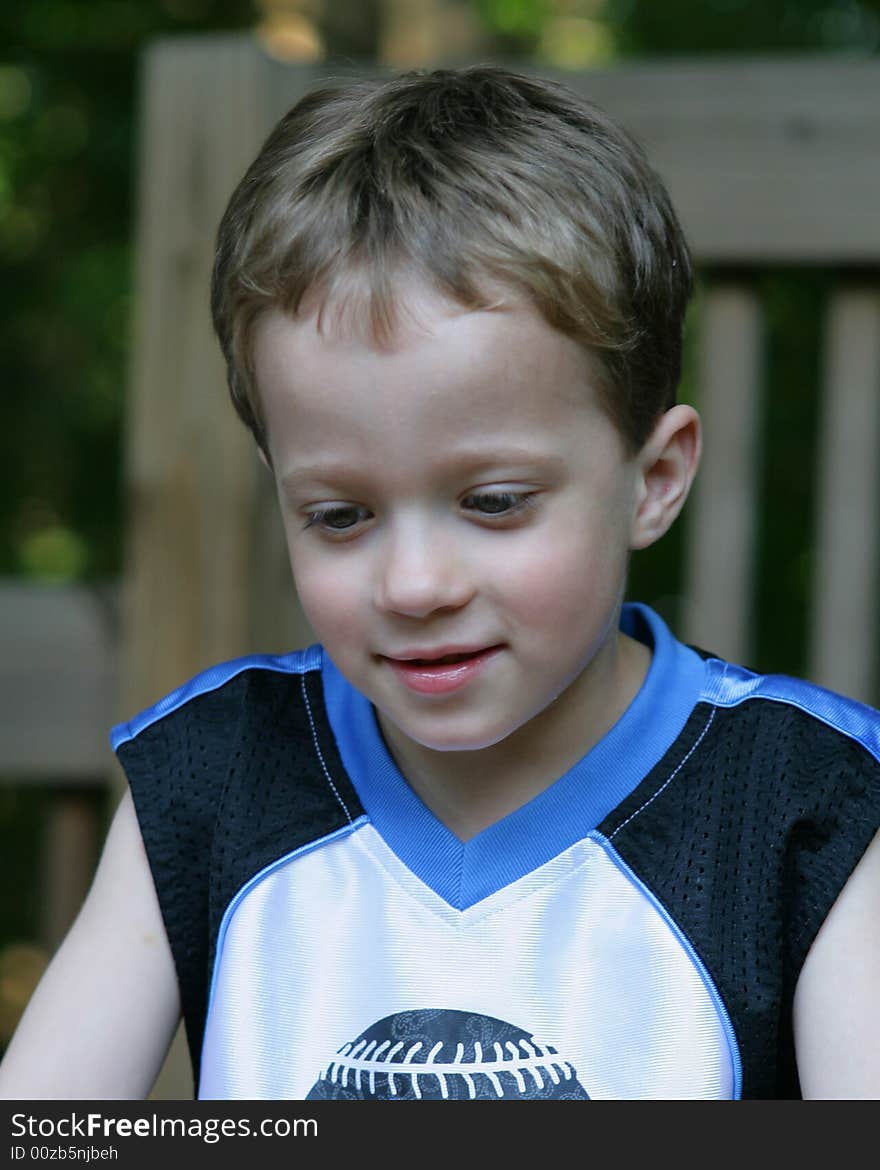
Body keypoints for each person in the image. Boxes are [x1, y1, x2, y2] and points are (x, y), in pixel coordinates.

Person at [1, 65, 878, 1103]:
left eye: (495, 502)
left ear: (653, 481)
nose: (414, 585)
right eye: (340, 516)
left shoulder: (805, 805)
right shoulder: (210, 780)